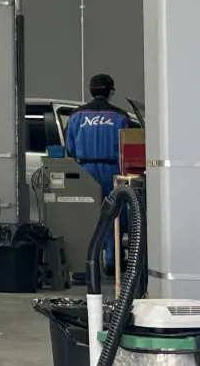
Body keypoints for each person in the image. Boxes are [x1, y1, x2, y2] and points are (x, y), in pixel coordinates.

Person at [65, 73, 131, 266]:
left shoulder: (76, 116)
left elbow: (70, 149)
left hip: (85, 172)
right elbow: (127, 148)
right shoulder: (121, 116)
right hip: (113, 172)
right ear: (111, 92)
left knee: (85, 216)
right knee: (113, 215)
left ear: (91, 91)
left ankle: (83, 264)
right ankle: (112, 262)